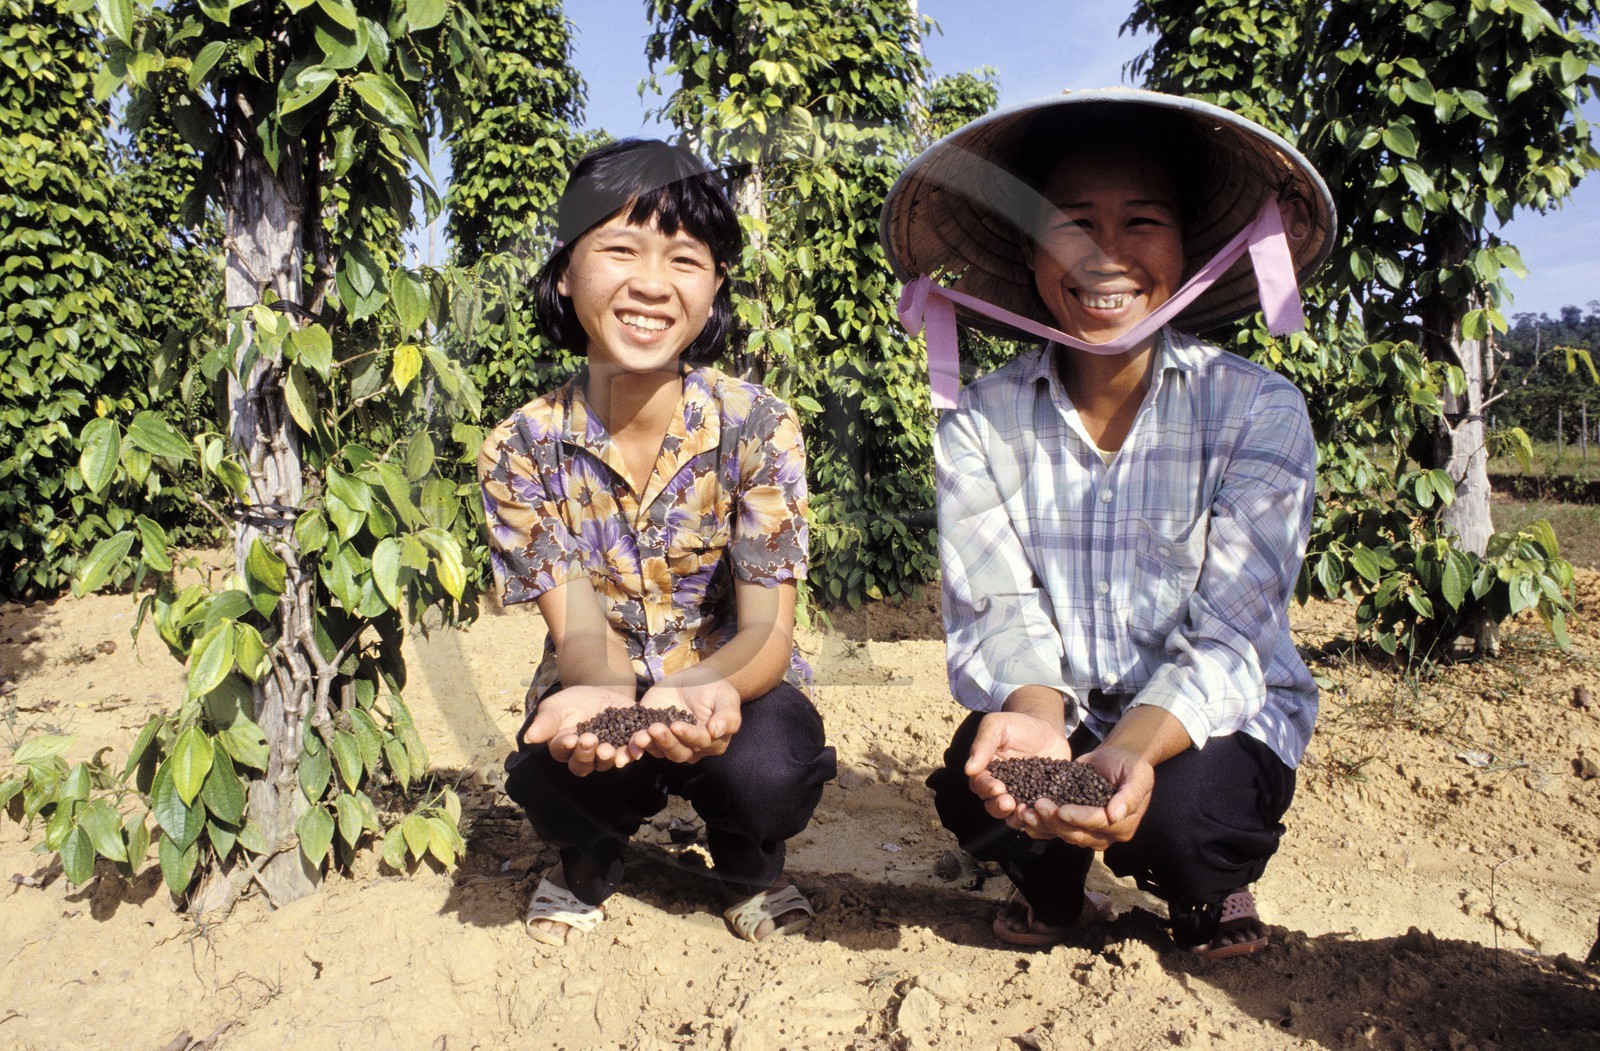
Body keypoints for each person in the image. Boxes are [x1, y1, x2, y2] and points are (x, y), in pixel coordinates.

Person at [879, 89, 1336, 958]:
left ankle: (1204, 886)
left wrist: (1128, 749)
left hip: (1204, 722)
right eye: (1070, 222)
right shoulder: (978, 421)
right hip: (1075, 706)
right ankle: (1052, 890)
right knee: (983, 781)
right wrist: (1041, 721)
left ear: (1188, 244)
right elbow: (999, 604)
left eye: (1143, 222)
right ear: (1027, 244)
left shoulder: (1255, 409)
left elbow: (1235, 631)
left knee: (1184, 816)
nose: (1105, 255)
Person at [478, 139, 835, 946]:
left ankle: (749, 851)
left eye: (683, 257)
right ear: (566, 270)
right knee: (554, 769)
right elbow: (577, 631)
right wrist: (612, 697)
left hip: (730, 680)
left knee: (770, 765)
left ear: (713, 288)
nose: (650, 282)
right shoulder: (519, 449)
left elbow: (766, 627)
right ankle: (588, 855)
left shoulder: (757, 426)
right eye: (618, 247)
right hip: (606, 672)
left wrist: (701, 686)